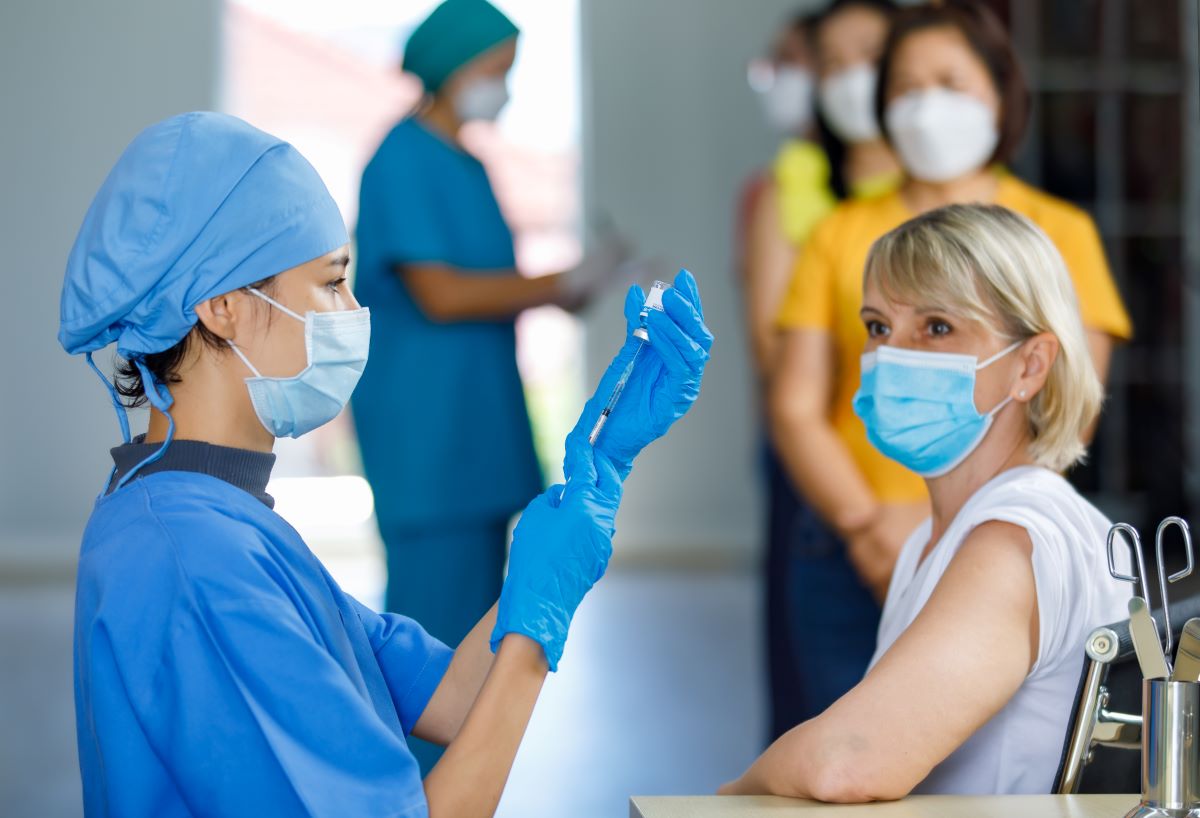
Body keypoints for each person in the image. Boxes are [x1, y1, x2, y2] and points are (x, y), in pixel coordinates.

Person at [61, 111, 712, 818]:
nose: (354, 310)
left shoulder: (219, 519)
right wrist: (534, 629)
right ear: (222, 307)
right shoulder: (192, 558)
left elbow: (453, 701)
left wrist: (598, 477)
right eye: (331, 284)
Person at [768, 0, 1132, 718]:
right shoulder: (841, 232)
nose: (925, 105)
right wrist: (870, 528)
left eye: (949, 82)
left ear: (1000, 93)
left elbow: (1072, 398)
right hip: (850, 539)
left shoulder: (1059, 232)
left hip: (992, 531)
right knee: (834, 732)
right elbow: (794, 402)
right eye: (904, 86)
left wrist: (970, 528)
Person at [723, 203, 1130, 799]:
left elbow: (849, 762)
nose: (893, 354)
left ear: (1030, 364)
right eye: (877, 326)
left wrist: (721, 801)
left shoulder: (1010, 542)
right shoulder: (939, 537)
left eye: (937, 327)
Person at [351, 0, 630, 694]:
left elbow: (502, 286)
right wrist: (559, 279)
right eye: (495, 69)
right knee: (430, 644)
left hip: (475, 424)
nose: (503, 85)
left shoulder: (468, 165)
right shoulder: (401, 159)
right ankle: (416, 797)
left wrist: (590, 282)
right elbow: (442, 294)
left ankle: (454, 788)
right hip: (428, 432)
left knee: (473, 638)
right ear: (452, 67)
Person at [739, 0, 902, 739]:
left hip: (933, 496)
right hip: (825, 477)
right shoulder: (797, 202)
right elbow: (782, 367)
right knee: (821, 705)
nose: (842, 80)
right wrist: (861, 522)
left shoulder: (978, 206)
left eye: (861, 57)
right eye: (826, 63)